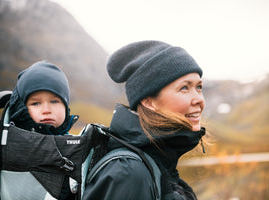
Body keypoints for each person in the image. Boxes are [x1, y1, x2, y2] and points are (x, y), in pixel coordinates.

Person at [83, 40, 206, 200]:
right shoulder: (130, 173)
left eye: (199, 87)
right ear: (149, 102)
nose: (199, 99)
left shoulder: (159, 164)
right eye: (184, 88)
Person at [0, 61, 78, 200]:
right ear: (22, 108)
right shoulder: (15, 145)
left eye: (54, 101)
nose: (46, 110)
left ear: (66, 107)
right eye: (36, 103)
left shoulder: (74, 144)